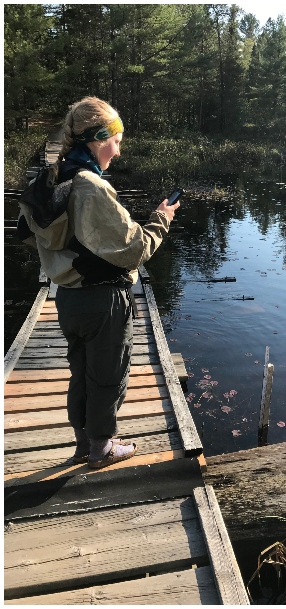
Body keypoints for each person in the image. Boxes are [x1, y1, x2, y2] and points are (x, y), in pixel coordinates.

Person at [16, 96, 179, 469]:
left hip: (68, 298)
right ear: (99, 137)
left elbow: (33, 235)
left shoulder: (55, 177)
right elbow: (134, 250)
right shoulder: (91, 186)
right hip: (104, 300)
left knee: (81, 372)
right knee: (108, 374)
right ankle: (102, 448)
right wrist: (161, 218)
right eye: (116, 140)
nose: (117, 152)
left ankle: (82, 442)